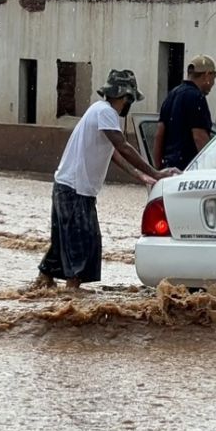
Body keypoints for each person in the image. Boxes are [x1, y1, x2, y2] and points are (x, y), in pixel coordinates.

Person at [35, 69, 173, 292]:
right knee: (83, 245)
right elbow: (123, 146)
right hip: (76, 190)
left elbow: (114, 152)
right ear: (126, 97)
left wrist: (139, 174)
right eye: (130, 100)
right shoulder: (107, 113)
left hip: (65, 187)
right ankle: (72, 295)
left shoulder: (98, 110)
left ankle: (43, 286)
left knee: (62, 245)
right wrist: (156, 173)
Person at [153, 54, 216, 171]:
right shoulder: (196, 97)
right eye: (213, 78)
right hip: (188, 169)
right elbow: (199, 137)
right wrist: (211, 169)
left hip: (169, 167)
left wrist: (158, 169)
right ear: (206, 75)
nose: (213, 83)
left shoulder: (172, 94)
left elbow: (159, 134)